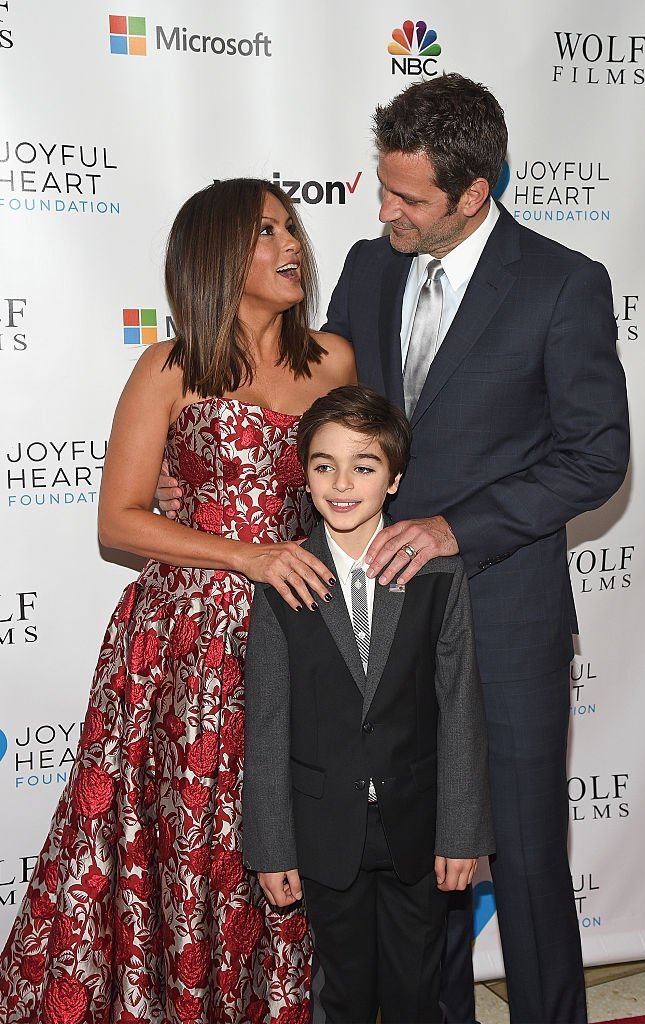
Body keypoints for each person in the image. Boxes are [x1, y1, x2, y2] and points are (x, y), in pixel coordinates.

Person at [155, 74, 629, 1022]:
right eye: (382, 187)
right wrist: (198, 479)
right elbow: (323, 419)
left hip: (501, 612)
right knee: (419, 866)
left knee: (526, 860)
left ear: (473, 192)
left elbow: (597, 457)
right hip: (379, 628)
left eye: (408, 197)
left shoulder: (562, 284)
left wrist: (458, 527)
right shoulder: (372, 268)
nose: (382, 212)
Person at [0, 178, 355, 1023]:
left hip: (299, 628)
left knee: (283, 831)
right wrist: (247, 555)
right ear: (218, 255)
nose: (292, 245)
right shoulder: (168, 366)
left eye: (292, 227)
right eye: (267, 233)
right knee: (190, 828)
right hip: (182, 643)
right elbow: (120, 521)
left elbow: (352, 488)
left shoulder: (333, 359)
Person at [242, 385, 494, 1024]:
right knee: (345, 996)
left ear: (395, 477)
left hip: (418, 830)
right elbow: (267, 724)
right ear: (304, 477)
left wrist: (462, 832)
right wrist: (273, 845)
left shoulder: (436, 575)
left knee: (416, 995)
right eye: (324, 465)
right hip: (326, 834)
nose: (342, 483)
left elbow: (459, 708)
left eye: (364, 465)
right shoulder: (282, 581)